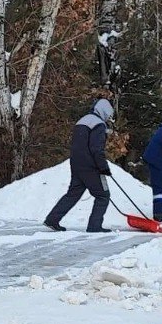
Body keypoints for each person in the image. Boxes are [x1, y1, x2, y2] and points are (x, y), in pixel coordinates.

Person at [44, 98, 115, 232]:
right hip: (90, 166)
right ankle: (94, 226)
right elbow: (96, 149)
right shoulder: (99, 124)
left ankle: (52, 219)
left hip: (76, 164)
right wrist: (103, 167)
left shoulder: (82, 121)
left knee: (73, 194)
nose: (108, 118)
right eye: (109, 114)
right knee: (103, 195)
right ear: (105, 111)